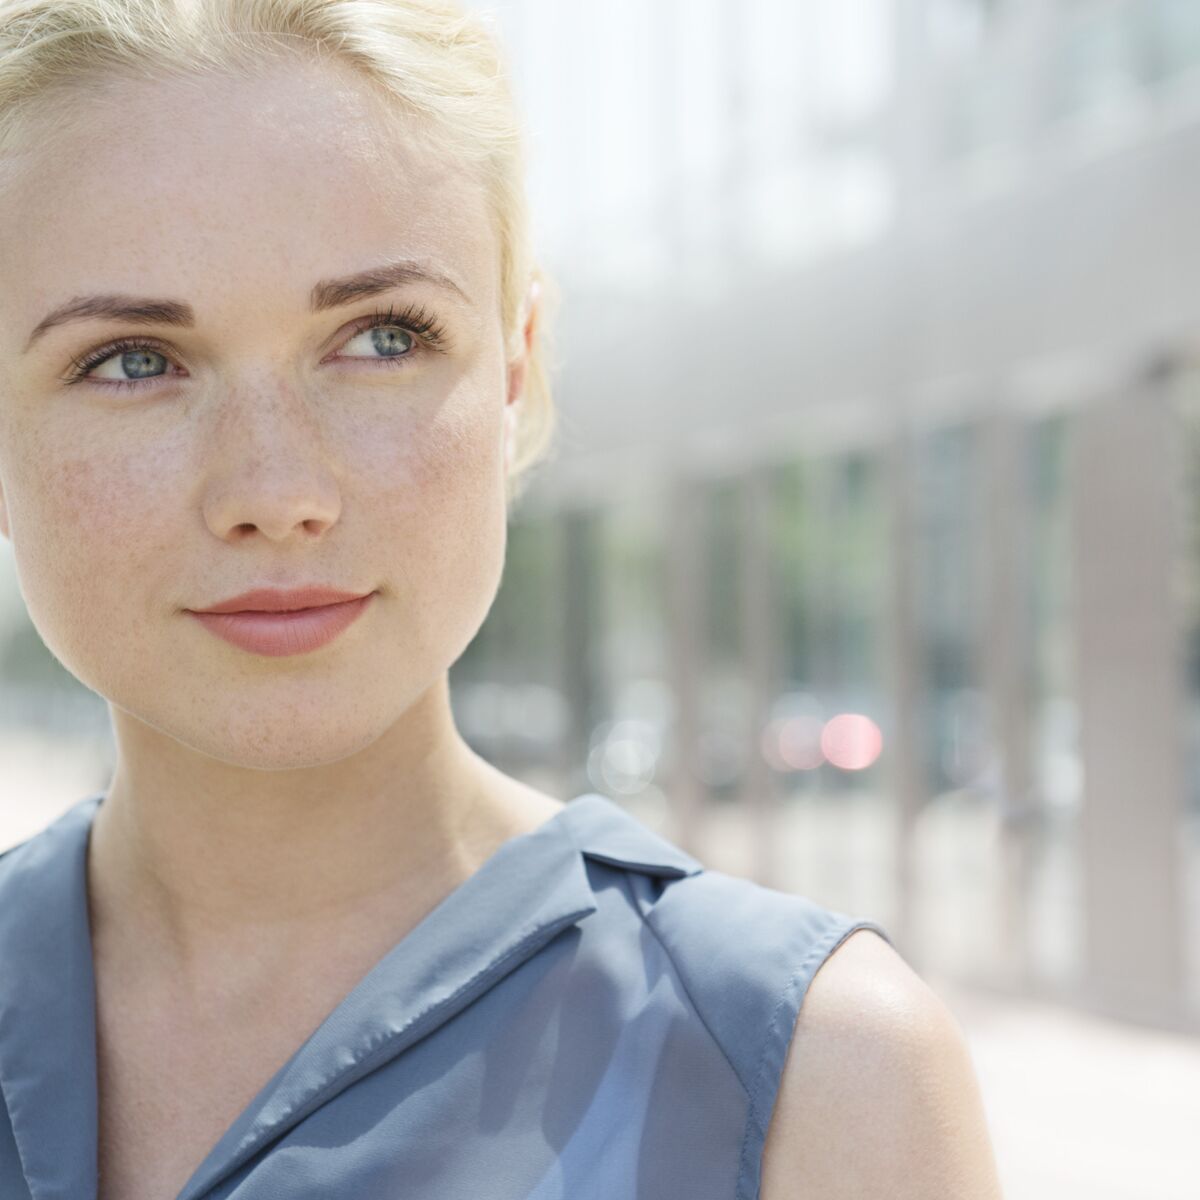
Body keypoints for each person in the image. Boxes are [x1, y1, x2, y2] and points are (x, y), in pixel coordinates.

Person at [0, 1, 1005, 1197]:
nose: (275, 493)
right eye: (132, 361)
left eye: (380, 338)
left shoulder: (808, 1080)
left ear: (515, 368)